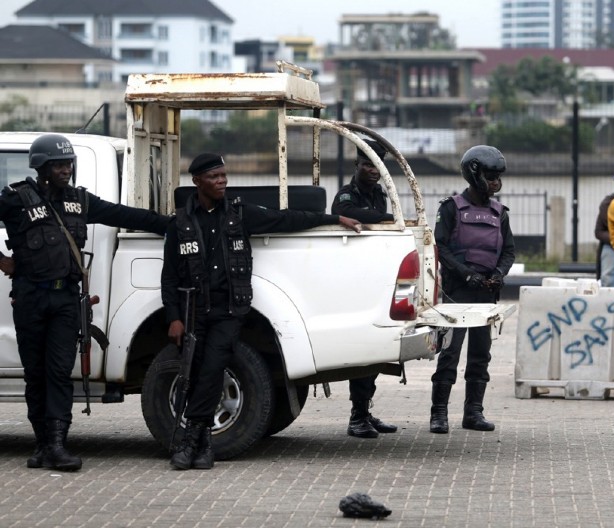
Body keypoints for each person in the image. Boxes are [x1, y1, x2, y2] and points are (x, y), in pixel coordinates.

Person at [162, 153, 361, 470]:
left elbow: (286, 219)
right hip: (194, 312)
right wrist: (174, 317)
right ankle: (202, 446)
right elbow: (170, 277)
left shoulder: (240, 214)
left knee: (213, 369)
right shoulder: (181, 223)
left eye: (224, 175)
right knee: (196, 373)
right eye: (214, 177)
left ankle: (189, 442)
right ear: (197, 181)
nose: (222, 181)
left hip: (229, 311)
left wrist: (333, 219)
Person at [0, 133, 169, 472]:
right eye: (58, 165)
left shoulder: (79, 201)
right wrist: (2, 261)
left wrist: (174, 225)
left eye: (69, 164)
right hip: (30, 298)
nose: (66, 170)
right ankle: (43, 445)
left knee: (59, 372)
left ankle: (57, 445)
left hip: (65, 300)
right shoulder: (15, 199)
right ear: (41, 168)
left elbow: (124, 215)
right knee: (36, 375)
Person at [429, 145, 515, 434]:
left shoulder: (499, 213)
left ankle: (473, 413)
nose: (496, 183)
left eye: (498, 177)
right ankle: (439, 414)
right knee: (450, 352)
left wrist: (499, 274)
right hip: (457, 294)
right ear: (475, 175)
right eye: (491, 177)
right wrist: (467, 275)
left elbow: (509, 252)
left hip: (486, 294)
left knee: (480, 354)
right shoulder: (450, 208)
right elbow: (440, 247)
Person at [331, 139, 397, 439]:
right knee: (362, 353)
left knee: (375, 352)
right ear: (357, 165)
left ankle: (364, 413)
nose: (373, 170)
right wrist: (384, 218)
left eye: (377, 165)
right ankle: (357, 417)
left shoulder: (380, 194)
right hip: (352, 279)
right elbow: (350, 214)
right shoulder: (347, 194)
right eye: (368, 164)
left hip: (375, 277)